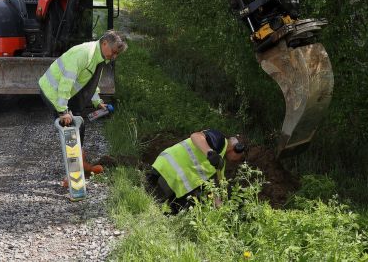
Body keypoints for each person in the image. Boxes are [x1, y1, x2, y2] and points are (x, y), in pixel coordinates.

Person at [39, 30, 127, 184]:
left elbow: (91, 82)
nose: (114, 57)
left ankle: (82, 166)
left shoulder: (99, 58)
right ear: (104, 43)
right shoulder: (83, 54)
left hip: (68, 95)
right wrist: (63, 111)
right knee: (70, 131)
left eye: (116, 54)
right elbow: (66, 83)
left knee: (81, 127)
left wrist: (97, 101)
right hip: (53, 92)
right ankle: (73, 176)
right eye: (113, 52)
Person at [147, 129, 246, 213]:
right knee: (147, 193)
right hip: (165, 167)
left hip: (177, 181)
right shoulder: (219, 140)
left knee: (171, 210)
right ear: (236, 148)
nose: (237, 161)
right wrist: (210, 152)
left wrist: (218, 203)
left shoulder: (220, 164)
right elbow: (196, 136)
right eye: (240, 158)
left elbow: (208, 185)